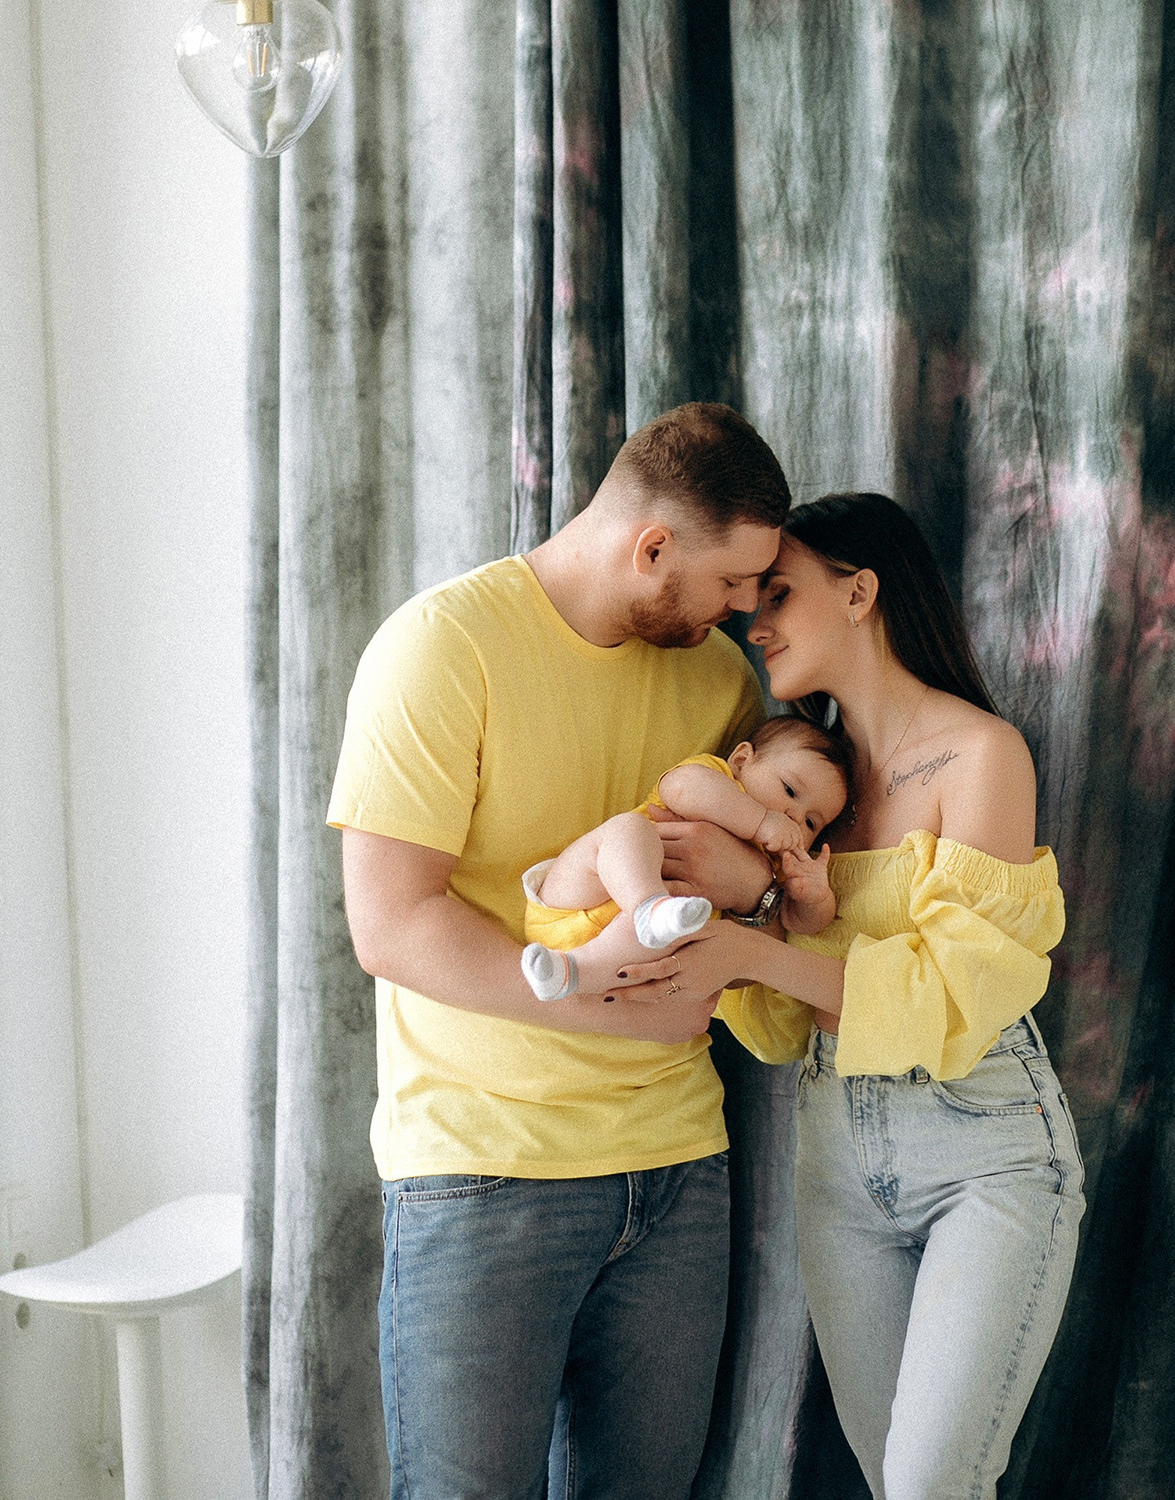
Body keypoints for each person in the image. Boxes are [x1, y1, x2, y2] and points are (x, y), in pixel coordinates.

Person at [327, 402, 791, 1500]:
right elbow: (390, 923)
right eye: (734, 583)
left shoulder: (716, 683)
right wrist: (602, 1003)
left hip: (678, 1170)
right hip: (484, 1173)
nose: (748, 614)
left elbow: (750, 892)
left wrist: (759, 885)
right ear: (653, 548)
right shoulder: (442, 647)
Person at [619, 492, 1086, 1500]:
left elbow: (951, 994)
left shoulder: (981, 755)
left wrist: (752, 957)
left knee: (929, 1485)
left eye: (779, 592)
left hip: (988, 1151)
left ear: (861, 593)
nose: (755, 619)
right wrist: (743, 911)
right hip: (835, 1160)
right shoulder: (795, 785)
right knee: (893, 1484)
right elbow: (787, 1032)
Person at [520, 714, 852, 1002]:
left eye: (811, 822)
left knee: (675, 937)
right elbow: (679, 789)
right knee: (629, 830)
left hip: (616, 955)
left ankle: (570, 972)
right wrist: (760, 820)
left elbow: (796, 923)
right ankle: (648, 905)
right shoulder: (717, 777)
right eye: (790, 791)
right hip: (577, 897)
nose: (794, 816)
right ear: (740, 761)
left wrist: (816, 897)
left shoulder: (776, 863)